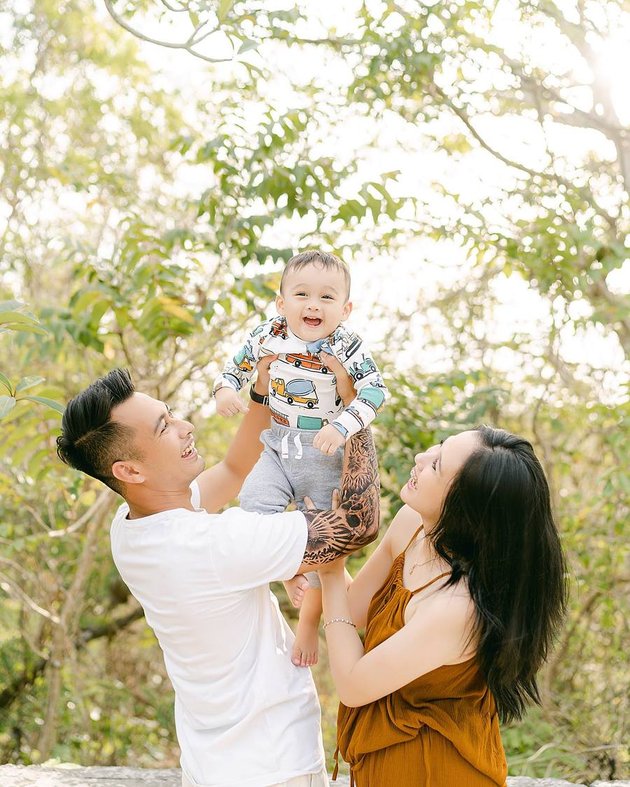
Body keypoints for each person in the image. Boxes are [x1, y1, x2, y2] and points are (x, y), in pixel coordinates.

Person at [56, 360, 380, 787]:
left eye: (171, 414)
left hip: (214, 765)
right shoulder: (212, 545)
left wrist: (263, 391)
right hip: (271, 768)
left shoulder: (132, 529)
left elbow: (234, 468)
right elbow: (359, 523)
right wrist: (356, 410)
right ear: (130, 471)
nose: (185, 426)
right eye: (164, 427)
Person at [316, 426, 567, 787]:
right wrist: (320, 552)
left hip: (437, 771)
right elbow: (354, 610)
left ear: (465, 506)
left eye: (437, 465)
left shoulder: (458, 608)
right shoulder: (411, 525)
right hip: (382, 766)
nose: (421, 459)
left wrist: (330, 569)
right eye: (438, 448)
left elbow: (354, 685)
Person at [214, 250, 388, 667]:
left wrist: (341, 426)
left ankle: (308, 621)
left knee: (322, 537)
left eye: (327, 298)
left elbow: (375, 393)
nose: (313, 305)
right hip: (278, 444)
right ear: (281, 303)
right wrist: (225, 390)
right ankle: (288, 571)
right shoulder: (267, 334)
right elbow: (235, 367)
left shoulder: (347, 345)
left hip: (324, 452)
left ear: (345, 309)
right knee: (254, 506)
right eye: (302, 294)